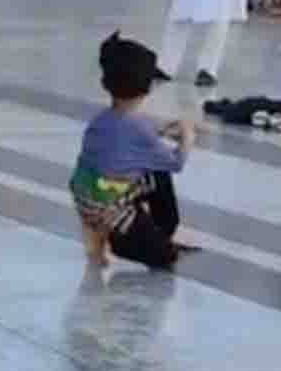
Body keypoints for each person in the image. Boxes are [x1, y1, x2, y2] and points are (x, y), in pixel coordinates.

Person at [70, 32, 198, 268]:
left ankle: (101, 237)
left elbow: (129, 137)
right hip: (111, 209)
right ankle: (126, 236)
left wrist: (162, 131)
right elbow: (176, 162)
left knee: (150, 168)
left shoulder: (101, 120)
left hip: (88, 197)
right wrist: (188, 137)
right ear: (147, 87)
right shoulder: (138, 128)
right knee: (165, 256)